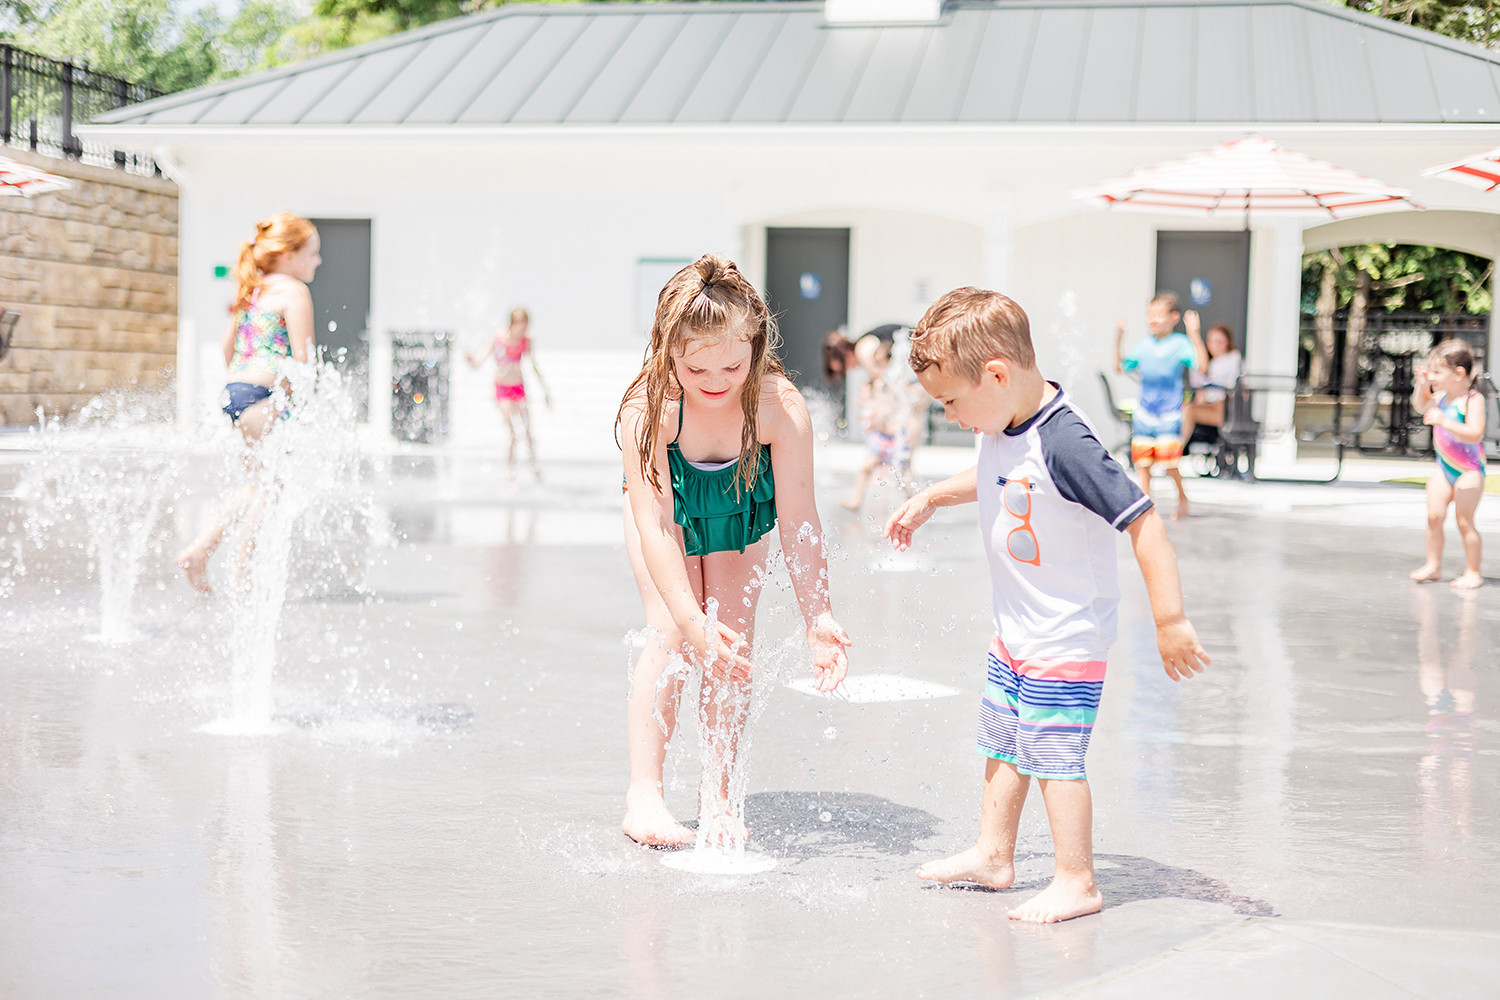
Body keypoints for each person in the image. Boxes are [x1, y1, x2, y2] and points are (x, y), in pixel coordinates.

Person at [884, 287, 1209, 923]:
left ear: (997, 374)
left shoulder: (1067, 442)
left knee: (1056, 758)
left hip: (1065, 635)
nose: (950, 416)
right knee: (1005, 742)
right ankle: (993, 853)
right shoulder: (1004, 421)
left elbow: (1143, 522)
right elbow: (989, 479)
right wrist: (930, 499)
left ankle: (1077, 880)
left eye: (951, 401)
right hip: (1016, 631)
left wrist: (1169, 621)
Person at [616, 254, 852, 847]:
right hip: (665, 517)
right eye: (697, 369)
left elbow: (800, 522)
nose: (718, 382)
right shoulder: (649, 410)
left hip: (740, 500)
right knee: (670, 632)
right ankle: (644, 797)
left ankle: (719, 793)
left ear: (756, 344)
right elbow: (658, 524)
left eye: (733, 364)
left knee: (731, 643)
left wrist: (818, 616)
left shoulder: (778, 407)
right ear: (668, 352)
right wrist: (690, 619)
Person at [176, 213, 320, 593]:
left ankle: (201, 553)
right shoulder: (293, 290)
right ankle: (244, 577)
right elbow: (305, 360)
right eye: (313, 253)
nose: (318, 262)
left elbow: (228, 349)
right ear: (290, 254)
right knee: (270, 486)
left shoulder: (253, 290)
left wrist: (245, 388)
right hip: (264, 398)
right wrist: (300, 401)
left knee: (255, 483)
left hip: (237, 393)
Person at [1113, 293, 1207, 517]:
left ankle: (1183, 499)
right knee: (1143, 464)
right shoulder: (1144, 345)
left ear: (1174, 317)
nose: (1152, 320)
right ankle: (1147, 507)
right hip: (1145, 412)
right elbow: (1119, 367)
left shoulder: (1180, 344)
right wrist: (1118, 339)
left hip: (1169, 414)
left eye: (1158, 315)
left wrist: (1194, 335)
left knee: (1170, 462)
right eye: (1149, 315)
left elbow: (1202, 367)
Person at [1409, 339, 1487, 590]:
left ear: (1459, 373)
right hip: (1444, 468)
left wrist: (1444, 422)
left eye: (1437, 372)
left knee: (1464, 521)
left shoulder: (1472, 400)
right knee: (1434, 516)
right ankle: (1433, 565)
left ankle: (1473, 572)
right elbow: (1420, 405)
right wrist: (1421, 384)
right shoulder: (1440, 397)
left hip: (1469, 471)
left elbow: (1475, 433)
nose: (1432, 377)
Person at [467, 307, 551, 483]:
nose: (523, 331)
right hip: (503, 390)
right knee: (513, 433)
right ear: (513, 324)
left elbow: (534, 365)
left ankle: (534, 468)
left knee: (528, 431)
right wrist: (470, 359)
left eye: (526, 327)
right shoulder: (497, 339)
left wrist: (545, 391)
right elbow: (478, 362)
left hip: (519, 389)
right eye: (521, 327)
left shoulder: (526, 341)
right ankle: (510, 472)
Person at [840, 334, 917, 511]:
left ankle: (913, 503)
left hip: (896, 437)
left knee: (904, 476)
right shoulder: (873, 384)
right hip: (880, 436)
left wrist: (900, 424)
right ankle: (856, 500)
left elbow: (907, 406)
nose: (876, 368)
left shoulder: (899, 383)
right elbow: (865, 403)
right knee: (866, 467)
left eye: (879, 363)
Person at [1180, 323, 1243, 445]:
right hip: (1211, 406)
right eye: (1211, 341)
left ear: (1227, 342)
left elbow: (1235, 389)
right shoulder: (1212, 363)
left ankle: (1176, 450)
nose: (1215, 346)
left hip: (1225, 411)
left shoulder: (1234, 359)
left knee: (1189, 411)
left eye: (1219, 341)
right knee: (1186, 408)